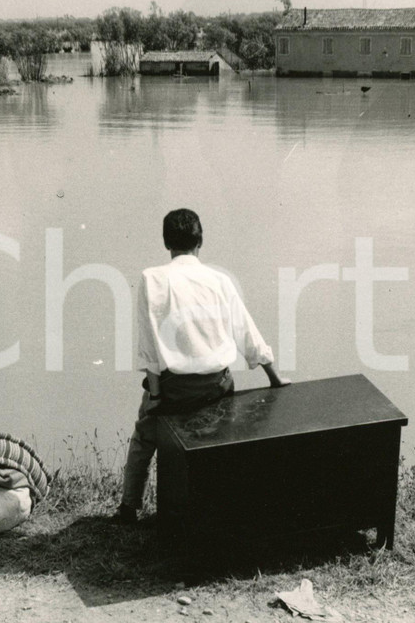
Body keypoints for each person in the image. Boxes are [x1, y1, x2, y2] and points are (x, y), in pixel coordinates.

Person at [114, 208, 290, 523]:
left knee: (144, 438)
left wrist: (154, 396)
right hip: (218, 387)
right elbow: (247, 333)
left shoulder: (152, 279)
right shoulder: (220, 280)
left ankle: (129, 508)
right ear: (201, 241)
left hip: (174, 391)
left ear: (167, 242)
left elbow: (149, 347)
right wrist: (274, 378)